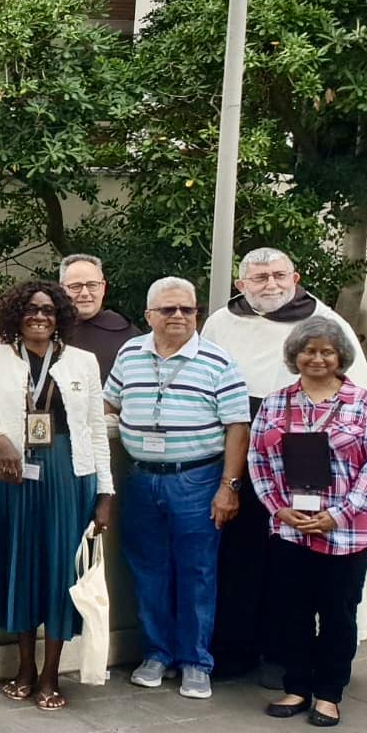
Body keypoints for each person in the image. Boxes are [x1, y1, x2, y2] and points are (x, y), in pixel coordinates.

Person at [202, 246, 367, 679]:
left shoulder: (325, 322)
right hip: (243, 455)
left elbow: (357, 406)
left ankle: (284, 657)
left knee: (293, 567)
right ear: (241, 284)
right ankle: (234, 650)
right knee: (237, 559)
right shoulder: (221, 322)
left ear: (295, 278)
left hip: (311, 468)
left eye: (280, 275)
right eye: (260, 278)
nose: (271, 285)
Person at [0, 281, 114, 711]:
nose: (39, 316)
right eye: (31, 309)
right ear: (16, 314)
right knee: (22, 568)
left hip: (69, 475)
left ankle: (51, 675)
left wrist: (105, 493)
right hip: (18, 477)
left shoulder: (82, 362)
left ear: (59, 316)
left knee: (61, 572)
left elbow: (96, 430)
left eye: (48, 310)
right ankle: (25, 668)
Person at [103, 277, 250, 700]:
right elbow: (109, 402)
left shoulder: (218, 361)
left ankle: (195, 662)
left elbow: (237, 427)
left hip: (197, 480)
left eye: (188, 309)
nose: (179, 316)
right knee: (147, 570)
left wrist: (229, 487)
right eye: (168, 309)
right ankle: (156, 654)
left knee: (197, 572)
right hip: (141, 478)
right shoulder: (130, 353)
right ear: (149, 315)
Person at [248, 316, 367, 727]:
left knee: (337, 614)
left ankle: (329, 693)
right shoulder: (276, 403)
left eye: (327, 352)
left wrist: (338, 514)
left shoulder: (364, 403)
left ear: (340, 356)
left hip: (346, 532)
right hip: (290, 529)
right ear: (295, 356)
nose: (317, 359)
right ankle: (297, 687)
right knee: (291, 611)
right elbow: (258, 460)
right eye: (309, 351)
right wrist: (277, 508)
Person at [60, 254, 141, 378]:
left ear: (103, 287)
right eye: (75, 286)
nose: (85, 293)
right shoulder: (51, 331)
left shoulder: (129, 336)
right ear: (61, 289)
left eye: (92, 285)